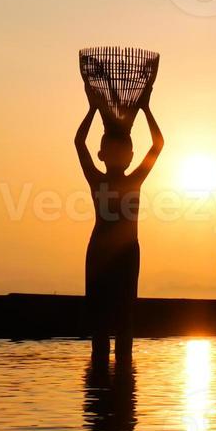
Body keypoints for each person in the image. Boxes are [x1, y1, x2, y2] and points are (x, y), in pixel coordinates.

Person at [76, 82, 163, 366]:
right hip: (111, 253)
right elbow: (158, 145)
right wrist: (145, 108)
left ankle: (105, 392)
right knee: (116, 324)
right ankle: (117, 391)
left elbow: (79, 142)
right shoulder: (123, 179)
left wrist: (93, 109)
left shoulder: (104, 178)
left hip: (115, 253)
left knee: (111, 325)